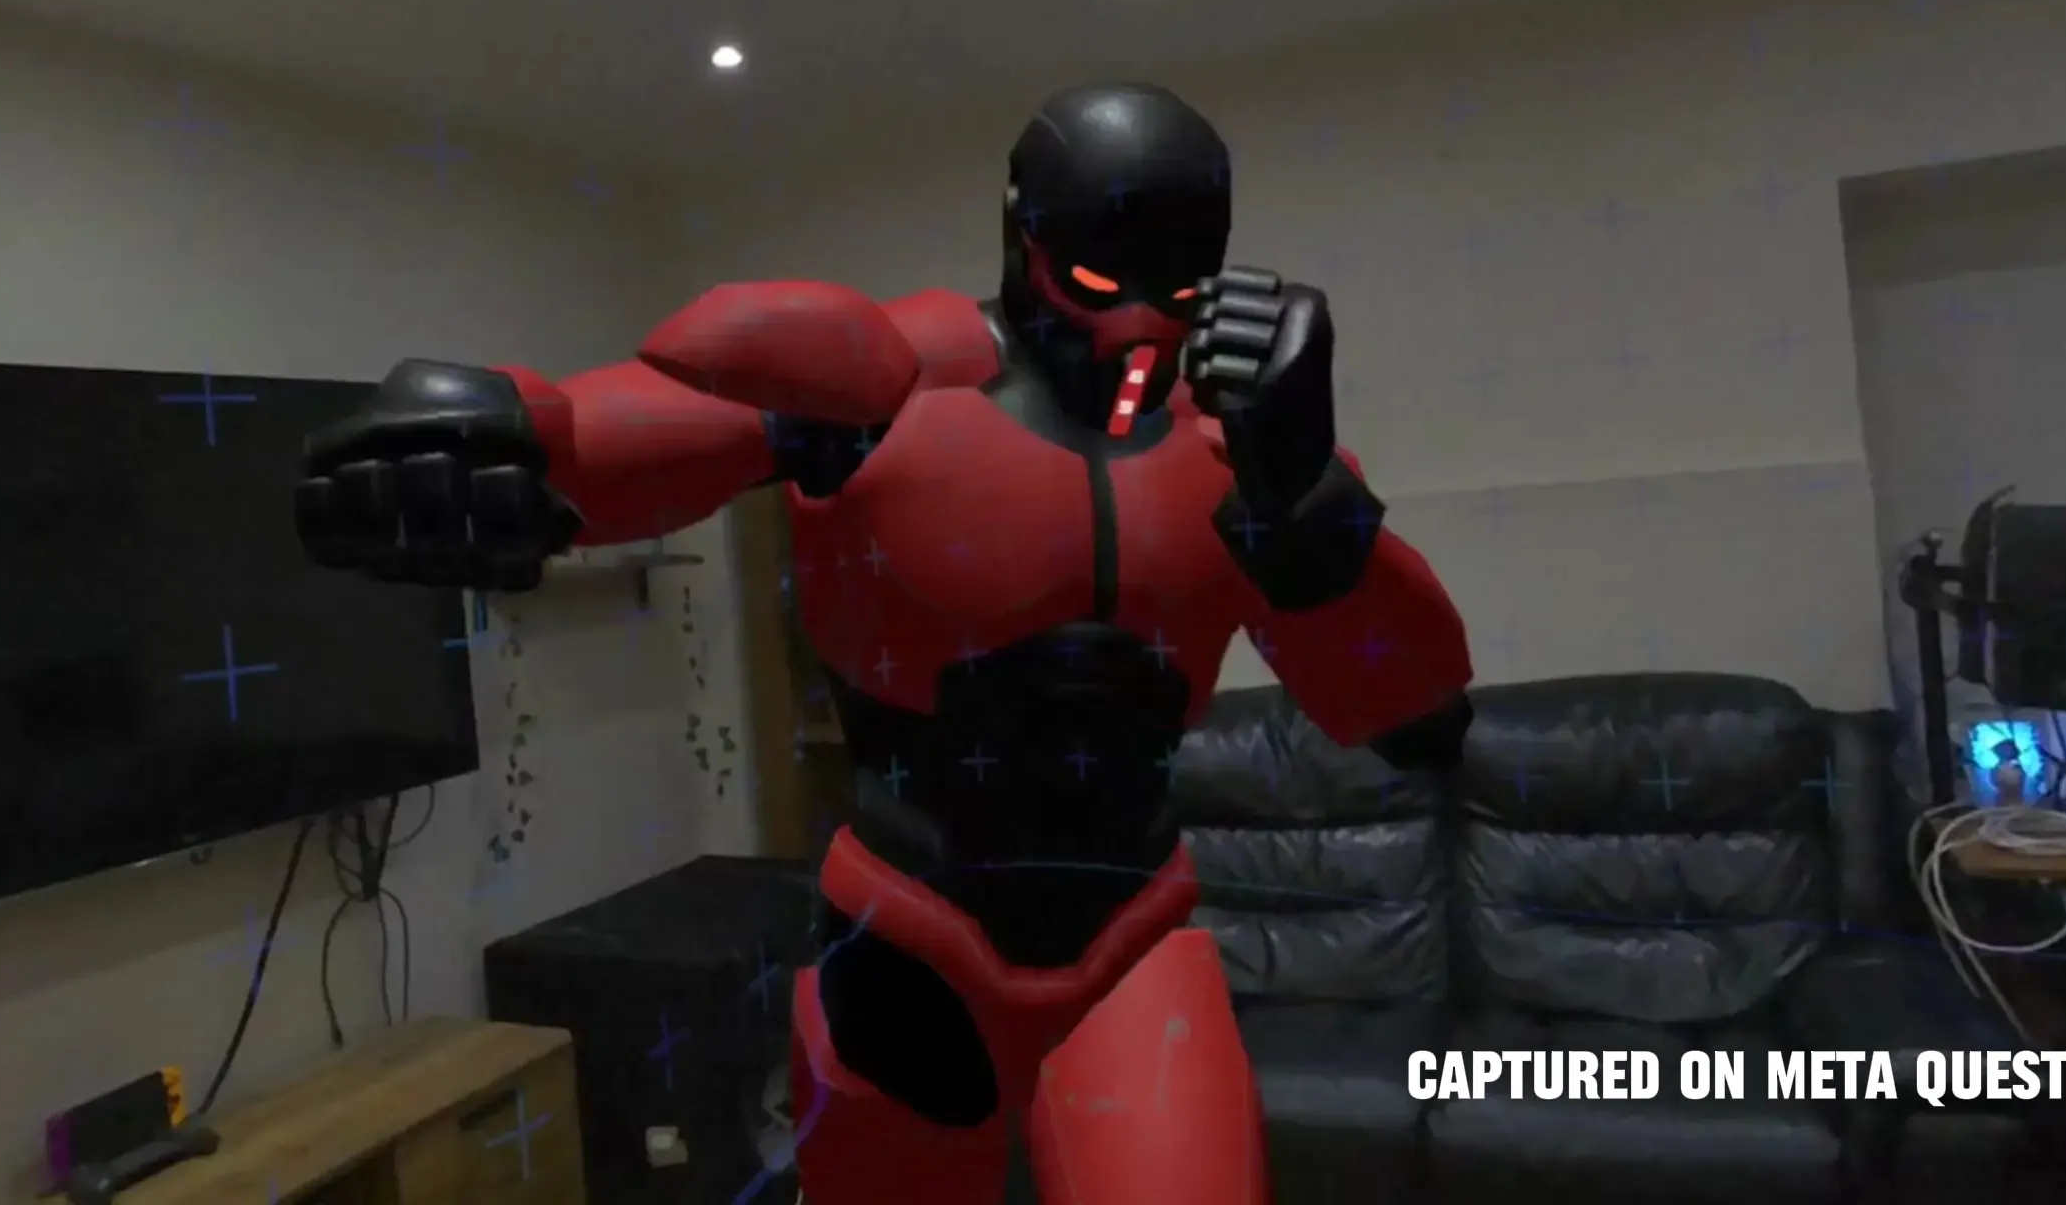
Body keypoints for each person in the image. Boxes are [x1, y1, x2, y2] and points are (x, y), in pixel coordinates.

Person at [294, 82, 1474, 1205]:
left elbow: (1418, 718)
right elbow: (622, 437)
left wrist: (1304, 495)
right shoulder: (888, 378)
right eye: (1094, 280)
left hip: (1130, 948)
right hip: (908, 944)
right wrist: (507, 446)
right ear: (1019, 236)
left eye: (1171, 293)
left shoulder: (1242, 446)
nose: (1130, 330)